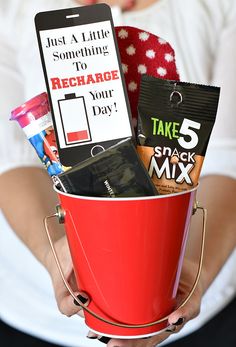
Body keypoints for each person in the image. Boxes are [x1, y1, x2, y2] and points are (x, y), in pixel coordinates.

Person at [0, 0, 235, 346]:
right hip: (28, 311)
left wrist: (189, 272)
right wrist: (55, 255)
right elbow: (10, 161)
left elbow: (228, 163)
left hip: (200, 311)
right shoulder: (13, 9)